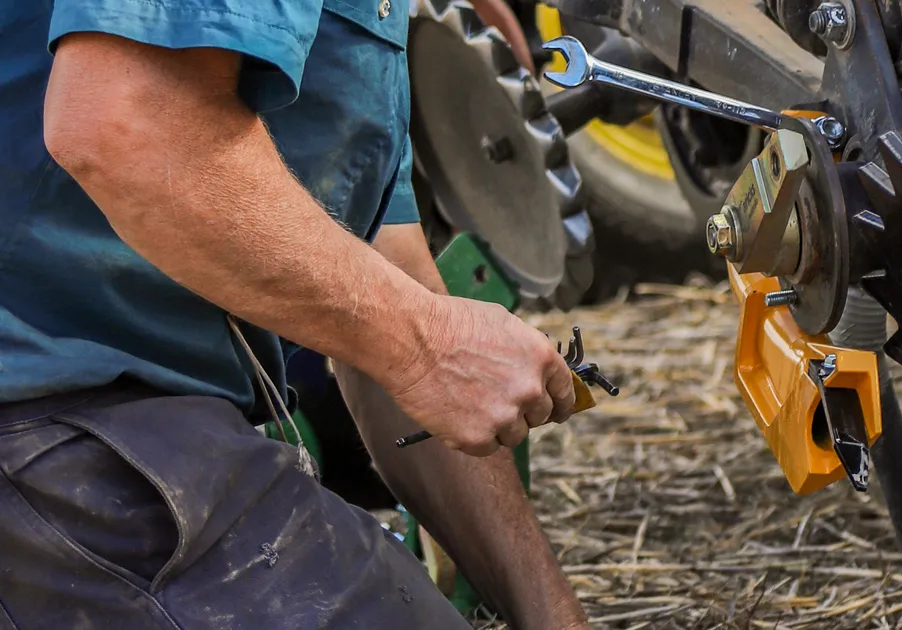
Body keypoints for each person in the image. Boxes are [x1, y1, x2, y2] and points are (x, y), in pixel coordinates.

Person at [0, 0, 590, 628]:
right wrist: (428, 347)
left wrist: (555, 620)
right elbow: (127, 125)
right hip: (49, 413)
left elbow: (384, 280)